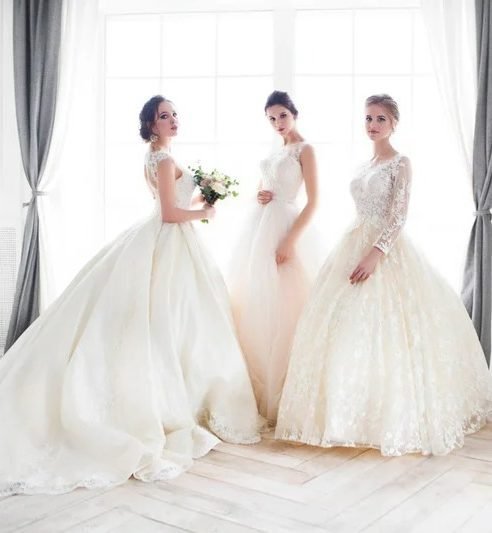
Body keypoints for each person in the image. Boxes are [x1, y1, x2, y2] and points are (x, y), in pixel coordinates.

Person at [0, 95, 260, 495]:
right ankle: (168, 404)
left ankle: (180, 395)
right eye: (164, 116)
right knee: (168, 324)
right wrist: (205, 213)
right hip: (168, 239)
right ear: (151, 124)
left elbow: (169, 204)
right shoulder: (165, 159)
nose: (173, 120)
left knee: (173, 325)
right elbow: (170, 214)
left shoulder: (155, 157)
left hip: (165, 239)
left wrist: (204, 197)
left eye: (175, 113)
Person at [275, 93, 492, 456]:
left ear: (394, 124)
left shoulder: (401, 162)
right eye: (368, 118)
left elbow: (398, 216)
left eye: (379, 119)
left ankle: (392, 416)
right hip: (352, 240)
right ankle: (350, 413)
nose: (372, 125)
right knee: (344, 326)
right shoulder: (364, 164)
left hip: (384, 250)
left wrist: (376, 254)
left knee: (394, 332)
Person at [229, 90, 319, 425]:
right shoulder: (277, 150)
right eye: (271, 118)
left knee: (288, 305)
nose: (277, 123)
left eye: (282, 115)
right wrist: (261, 194)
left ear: (294, 113)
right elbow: (265, 186)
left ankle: (290, 392)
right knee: (259, 302)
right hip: (261, 227)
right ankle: (258, 386)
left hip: (286, 228)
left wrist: (290, 242)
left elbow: (313, 201)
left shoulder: (304, 149)